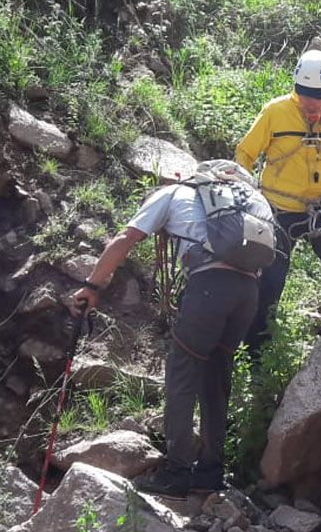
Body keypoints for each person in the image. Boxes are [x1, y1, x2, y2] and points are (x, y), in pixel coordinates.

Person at [69, 160, 273, 498]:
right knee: (216, 378)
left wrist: (92, 285)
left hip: (210, 286)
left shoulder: (174, 192)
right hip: (247, 294)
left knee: (182, 375)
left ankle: (177, 473)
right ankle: (210, 472)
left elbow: (126, 238)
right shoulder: (247, 199)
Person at [235, 47, 321, 343]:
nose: (310, 104)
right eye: (304, 96)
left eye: (317, 98)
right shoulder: (276, 112)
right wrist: (246, 195)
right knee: (270, 278)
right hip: (277, 209)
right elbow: (245, 153)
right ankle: (255, 349)